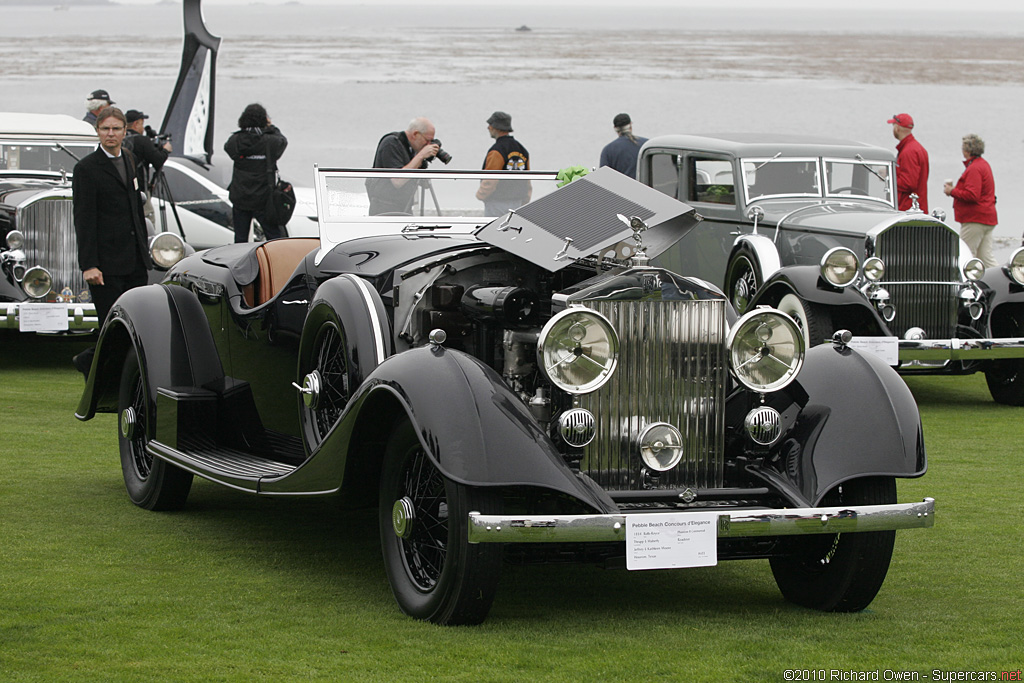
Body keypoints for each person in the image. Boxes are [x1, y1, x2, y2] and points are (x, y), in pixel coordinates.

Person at [71, 106, 152, 377]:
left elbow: (135, 209)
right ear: (97, 132)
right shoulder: (85, 169)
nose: (111, 134)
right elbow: (84, 220)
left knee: (135, 324)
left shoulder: (129, 159)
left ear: (125, 131)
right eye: (105, 129)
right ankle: (88, 362)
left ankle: (115, 377)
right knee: (113, 325)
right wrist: (89, 265)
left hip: (134, 260)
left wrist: (145, 252)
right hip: (105, 264)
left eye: (116, 129)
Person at [224, 103, 288, 242]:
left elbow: (228, 149)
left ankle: (240, 262)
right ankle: (276, 261)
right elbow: (282, 141)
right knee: (274, 237)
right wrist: (271, 127)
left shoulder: (235, 141)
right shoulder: (270, 141)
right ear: (264, 120)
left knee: (240, 238)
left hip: (240, 196)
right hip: (264, 197)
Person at [366, 117, 441, 216]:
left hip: (404, 207)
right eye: (427, 141)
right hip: (384, 209)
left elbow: (425, 185)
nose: (428, 145)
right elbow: (397, 180)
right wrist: (421, 155)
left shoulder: (413, 149)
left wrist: (422, 159)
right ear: (415, 134)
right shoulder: (391, 143)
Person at [944, 133, 998, 268]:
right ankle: (1002, 283)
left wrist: (952, 191)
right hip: (986, 217)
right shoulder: (983, 165)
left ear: (967, 150)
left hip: (975, 219)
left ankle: (966, 285)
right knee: (986, 258)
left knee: (965, 255)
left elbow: (973, 195)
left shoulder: (974, 168)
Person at [476, 111, 531, 216]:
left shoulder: (497, 150)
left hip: (497, 201)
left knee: (494, 230)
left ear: (496, 127)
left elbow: (490, 179)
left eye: (490, 125)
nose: (488, 128)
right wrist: (526, 197)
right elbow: (527, 178)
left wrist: (481, 195)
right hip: (518, 202)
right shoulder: (522, 150)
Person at [121, 109, 173, 221]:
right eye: (141, 124)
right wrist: (165, 151)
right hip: (141, 191)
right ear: (136, 124)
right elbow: (157, 160)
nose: (143, 128)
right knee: (147, 219)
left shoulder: (120, 139)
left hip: (123, 189)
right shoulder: (142, 141)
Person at [887, 113, 929, 212]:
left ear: (897, 128)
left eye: (893, 126)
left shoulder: (908, 152)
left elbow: (908, 183)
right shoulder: (916, 148)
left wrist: (889, 178)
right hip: (917, 208)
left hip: (908, 209)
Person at [599, 113, 648, 179]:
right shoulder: (646, 144)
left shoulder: (608, 150)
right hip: (645, 188)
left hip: (620, 188)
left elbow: (603, 177)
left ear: (615, 128)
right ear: (630, 125)